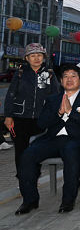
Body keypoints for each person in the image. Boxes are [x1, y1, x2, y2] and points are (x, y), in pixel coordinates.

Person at [15, 64, 80, 215]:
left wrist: (71, 112)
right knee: (27, 155)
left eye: (73, 76)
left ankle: (67, 200)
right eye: (65, 76)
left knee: (70, 152)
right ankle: (29, 200)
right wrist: (59, 113)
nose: (69, 79)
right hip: (52, 139)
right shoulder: (52, 99)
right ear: (61, 81)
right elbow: (41, 124)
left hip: (75, 140)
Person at [4, 43, 61, 176]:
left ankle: (34, 175)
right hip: (20, 119)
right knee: (21, 150)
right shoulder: (20, 73)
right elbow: (11, 95)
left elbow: (55, 95)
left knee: (36, 149)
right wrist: (8, 115)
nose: (36, 58)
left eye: (39, 55)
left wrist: (54, 116)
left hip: (41, 119)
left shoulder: (49, 74)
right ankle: (22, 177)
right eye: (33, 55)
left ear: (44, 57)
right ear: (27, 58)